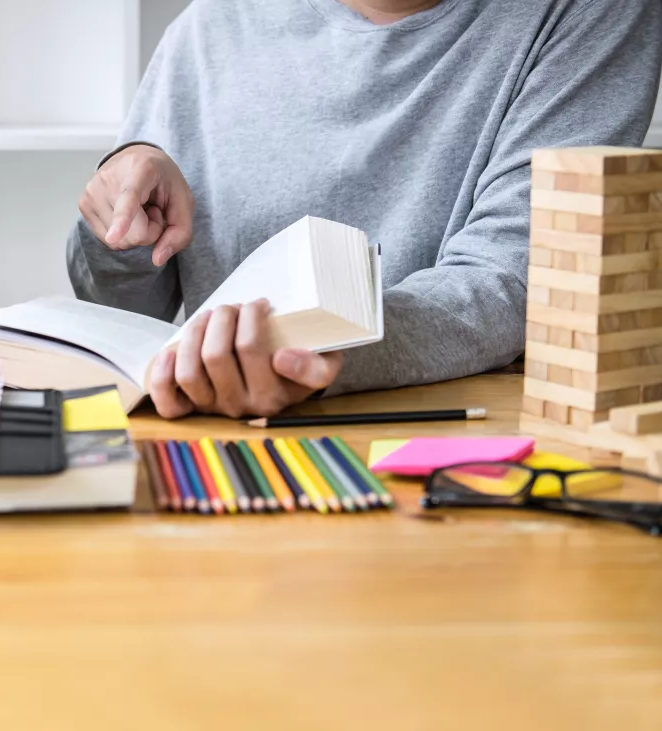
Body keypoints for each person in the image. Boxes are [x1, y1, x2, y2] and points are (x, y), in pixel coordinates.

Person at [68, 0, 662, 419]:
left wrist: (308, 353)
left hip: (449, 439)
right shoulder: (210, 25)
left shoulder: (586, 11)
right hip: (210, 428)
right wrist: (117, 224)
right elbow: (123, 307)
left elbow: (517, 276)